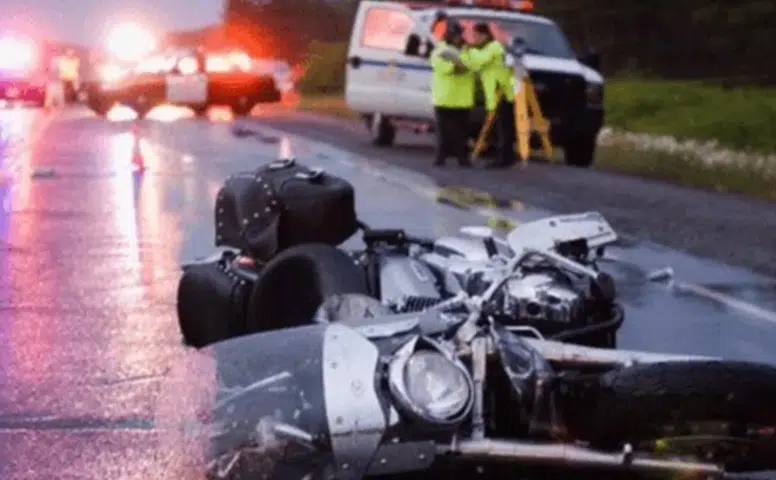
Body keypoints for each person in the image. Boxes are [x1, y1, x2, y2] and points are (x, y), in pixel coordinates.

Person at [468, 22, 517, 168]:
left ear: (484, 35)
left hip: (503, 90)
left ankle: (504, 157)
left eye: (476, 36)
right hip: (495, 90)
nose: (475, 39)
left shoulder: (494, 47)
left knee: (503, 125)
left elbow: (480, 61)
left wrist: (469, 50)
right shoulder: (488, 47)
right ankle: (502, 154)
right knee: (498, 125)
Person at [429, 20, 474, 168]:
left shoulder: (468, 50)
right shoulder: (439, 50)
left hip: (463, 100)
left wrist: (463, 64)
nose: (458, 37)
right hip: (445, 98)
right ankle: (440, 158)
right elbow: (440, 67)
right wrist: (456, 65)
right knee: (443, 133)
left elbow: (474, 65)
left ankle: (463, 160)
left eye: (460, 34)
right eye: (455, 34)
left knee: (462, 134)